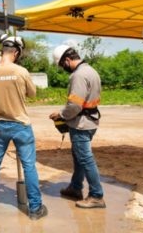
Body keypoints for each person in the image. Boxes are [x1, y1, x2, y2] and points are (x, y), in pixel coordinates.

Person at [0, 34, 47, 220]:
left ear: (2, 50)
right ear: (16, 52)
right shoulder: (21, 71)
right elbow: (32, 94)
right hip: (20, 124)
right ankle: (35, 209)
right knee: (29, 166)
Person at [49, 44, 105, 209]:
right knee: (79, 157)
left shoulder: (78, 75)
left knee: (85, 159)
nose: (63, 68)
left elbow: (74, 105)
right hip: (90, 120)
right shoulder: (90, 70)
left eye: (62, 65)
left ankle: (96, 195)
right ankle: (75, 188)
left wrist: (61, 114)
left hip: (81, 123)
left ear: (67, 60)